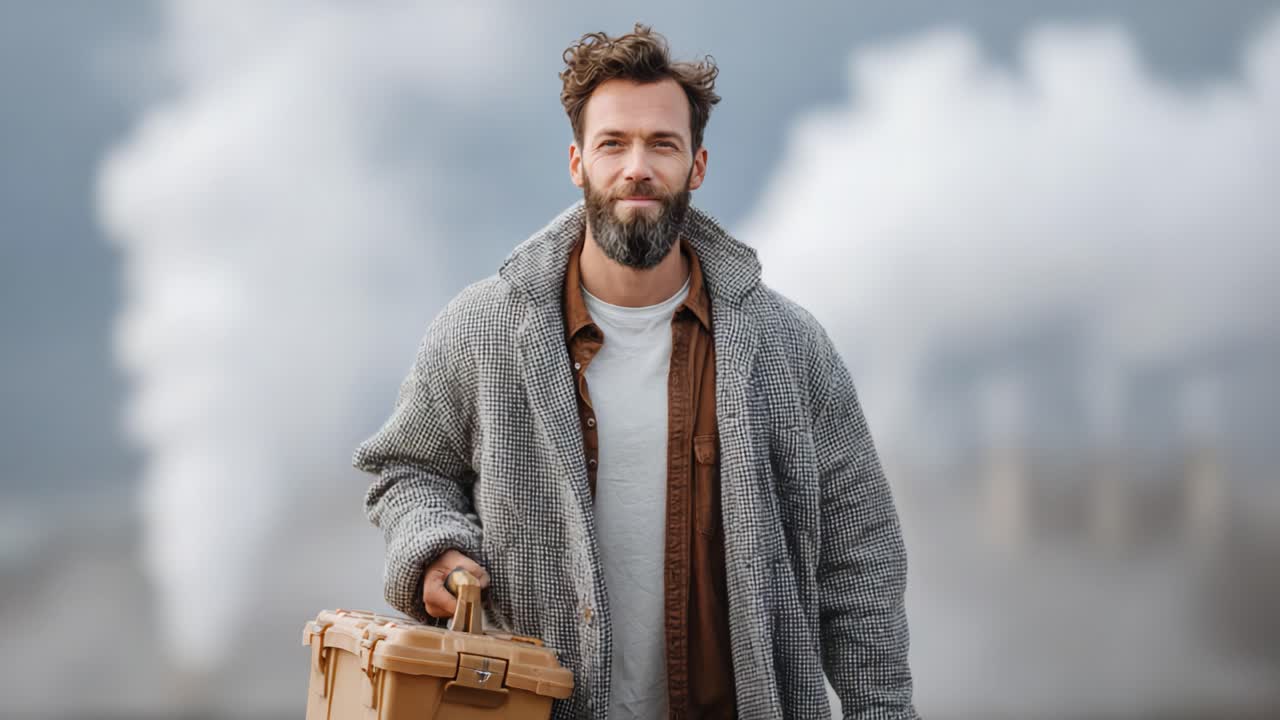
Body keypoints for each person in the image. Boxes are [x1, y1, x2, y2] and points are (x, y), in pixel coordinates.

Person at [354, 23, 918, 720]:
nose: (637, 168)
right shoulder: (485, 329)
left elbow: (860, 557)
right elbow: (406, 469)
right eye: (613, 143)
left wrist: (882, 708)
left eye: (662, 144)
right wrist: (434, 547)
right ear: (576, 161)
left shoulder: (789, 348)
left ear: (698, 166)